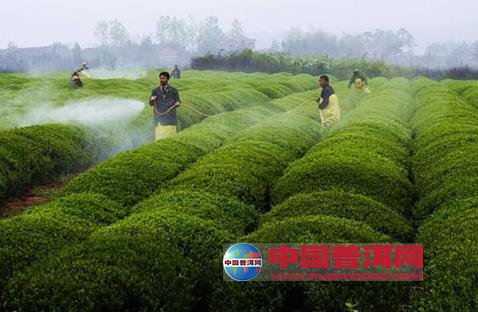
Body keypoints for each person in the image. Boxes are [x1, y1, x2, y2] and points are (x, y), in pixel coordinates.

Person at [149, 71, 181, 140]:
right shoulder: (155, 90)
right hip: (159, 120)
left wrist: (177, 103)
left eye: (163, 78)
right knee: (159, 139)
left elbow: (178, 101)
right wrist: (152, 99)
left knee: (170, 139)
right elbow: (151, 104)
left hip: (170, 120)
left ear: (167, 79)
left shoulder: (174, 90)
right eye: (160, 78)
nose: (161, 80)